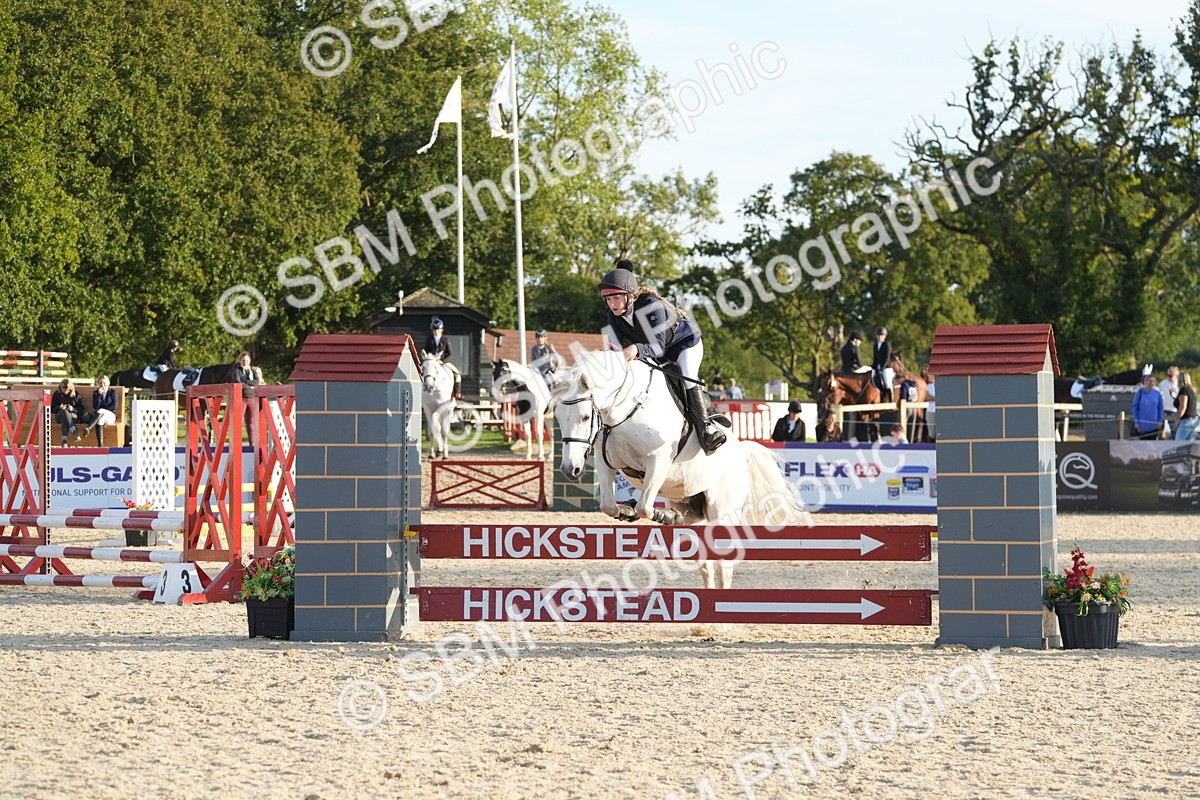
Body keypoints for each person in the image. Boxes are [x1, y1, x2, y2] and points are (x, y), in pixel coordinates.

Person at [598, 260, 730, 454]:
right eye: (608, 300)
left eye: (616, 298)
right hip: (653, 349)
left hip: (684, 344)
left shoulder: (652, 306)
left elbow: (658, 348)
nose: (612, 304)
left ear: (631, 297)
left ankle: (707, 428)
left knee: (685, 377)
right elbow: (613, 348)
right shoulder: (613, 315)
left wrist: (635, 348)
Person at [423, 318, 462, 399]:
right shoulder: (429, 339)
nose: (436, 331)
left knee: (457, 374)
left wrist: (441, 360)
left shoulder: (445, 340)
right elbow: (426, 351)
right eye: (434, 329)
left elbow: (449, 352)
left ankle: (456, 393)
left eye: (438, 329)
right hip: (431, 362)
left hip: (442, 362)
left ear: (441, 330)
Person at [233, 350, 263, 440]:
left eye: (247, 360)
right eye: (243, 360)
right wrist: (250, 386)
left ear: (249, 360)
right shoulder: (237, 371)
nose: (245, 362)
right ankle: (237, 442)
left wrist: (246, 382)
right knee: (238, 420)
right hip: (241, 397)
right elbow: (238, 383)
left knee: (251, 421)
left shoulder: (252, 370)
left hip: (251, 397)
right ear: (240, 361)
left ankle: (252, 442)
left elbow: (257, 381)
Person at [82, 375, 119, 447]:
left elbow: (114, 406)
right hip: (100, 416)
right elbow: (95, 407)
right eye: (100, 383)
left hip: (110, 416)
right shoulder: (96, 393)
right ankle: (100, 445)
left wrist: (103, 410)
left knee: (101, 410)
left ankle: (88, 428)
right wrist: (99, 395)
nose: (102, 385)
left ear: (108, 383)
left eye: (104, 383)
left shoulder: (113, 392)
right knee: (100, 420)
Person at [1130, 374, 1165, 440]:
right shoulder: (1139, 393)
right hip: (1142, 425)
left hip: (1154, 425)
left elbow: (1160, 408)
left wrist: (1160, 421)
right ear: (1145, 382)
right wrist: (1136, 422)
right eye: (1150, 381)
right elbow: (1135, 408)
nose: (1151, 383)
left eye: (1153, 381)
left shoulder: (1157, 394)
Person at [51, 378, 85, 444]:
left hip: (72, 415)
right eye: (64, 390)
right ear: (61, 388)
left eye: (68, 390)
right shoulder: (57, 394)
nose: (66, 392)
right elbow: (52, 408)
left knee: (64, 418)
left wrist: (72, 409)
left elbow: (81, 408)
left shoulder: (75, 394)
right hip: (59, 414)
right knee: (64, 412)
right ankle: (75, 432)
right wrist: (59, 408)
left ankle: (64, 441)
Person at [1174, 371, 1198, 441]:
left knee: (1178, 443)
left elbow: (1183, 406)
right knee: (1189, 444)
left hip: (1186, 420)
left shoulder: (1184, 390)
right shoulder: (1192, 390)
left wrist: (1177, 420)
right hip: (1193, 418)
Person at [871, 327, 895, 393]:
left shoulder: (887, 345)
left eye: (881, 335)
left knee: (887, 383)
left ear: (884, 336)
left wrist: (882, 368)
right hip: (877, 368)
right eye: (878, 335)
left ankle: (891, 398)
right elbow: (875, 359)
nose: (879, 337)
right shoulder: (875, 345)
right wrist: (871, 367)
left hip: (886, 368)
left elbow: (887, 358)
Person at [1160, 366, 1179, 436]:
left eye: (1172, 375)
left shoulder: (1179, 384)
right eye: (1168, 375)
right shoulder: (1163, 383)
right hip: (1163, 409)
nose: (1170, 377)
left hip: (1173, 410)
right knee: (1159, 430)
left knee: (1174, 430)